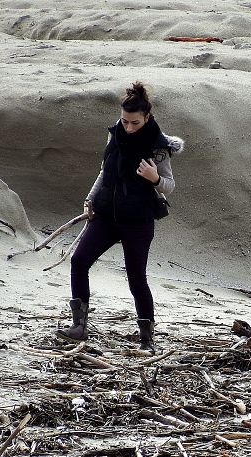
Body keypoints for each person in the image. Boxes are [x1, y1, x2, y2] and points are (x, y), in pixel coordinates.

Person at [57, 82, 183, 353]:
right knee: (79, 261)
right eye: (125, 121)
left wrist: (155, 178)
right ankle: (79, 326)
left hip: (138, 220)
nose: (129, 127)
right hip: (106, 214)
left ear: (146, 117)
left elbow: (169, 185)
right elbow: (105, 171)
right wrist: (90, 199)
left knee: (136, 278)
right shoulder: (115, 134)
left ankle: (147, 339)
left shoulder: (159, 146)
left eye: (135, 122)